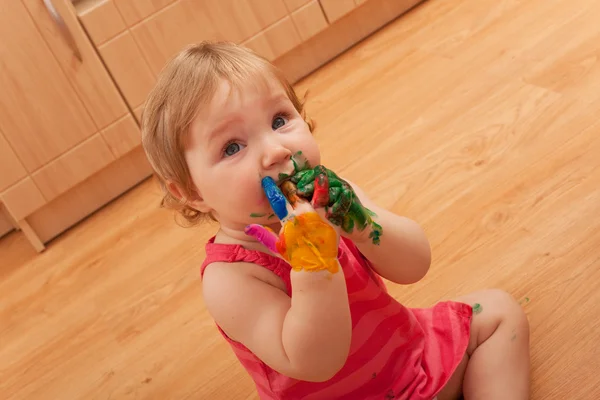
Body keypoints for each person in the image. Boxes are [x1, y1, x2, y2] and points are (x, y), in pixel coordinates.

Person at [140, 41, 531, 400]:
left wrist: (360, 224)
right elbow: (316, 361)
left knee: (496, 313)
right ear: (190, 192)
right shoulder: (229, 279)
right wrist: (312, 264)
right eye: (232, 147)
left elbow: (415, 265)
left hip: (410, 363)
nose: (275, 151)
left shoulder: (335, 198)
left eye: (279, 120)